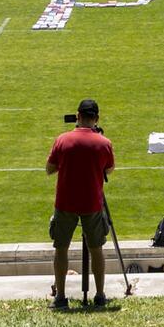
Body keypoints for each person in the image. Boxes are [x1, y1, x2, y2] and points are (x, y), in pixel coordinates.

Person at [46, 98, 116, 311]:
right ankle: (100, 295)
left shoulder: (62, 140)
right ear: (96, 118)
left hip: (65, 202)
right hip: (92, 203)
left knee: (61, 249)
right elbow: (109, 170)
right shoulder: (104, 143)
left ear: (78, 116)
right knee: (96, 250)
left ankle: (61, 298)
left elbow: (50, 169)